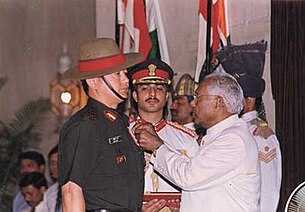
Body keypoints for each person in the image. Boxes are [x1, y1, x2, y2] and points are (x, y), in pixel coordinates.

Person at [134, 72, 261, 212]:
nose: (193, 104)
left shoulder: (233, 140)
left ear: (218, 102)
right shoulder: (219, 136)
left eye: (198, 97)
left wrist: (158, 147)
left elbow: (188, 177)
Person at [58, 37, 146, 212]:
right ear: (92, 81)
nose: (125, 80)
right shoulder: (86, 126)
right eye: (117, 74)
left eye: (125, 73)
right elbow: (71, 191)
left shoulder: (118, 122)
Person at [128, 59, 199, 211]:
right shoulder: (122, 135)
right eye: (145, 88)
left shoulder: (187, 138)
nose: (152, 93)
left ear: (167, 96)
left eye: (159, 88)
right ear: (135, 96)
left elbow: (197, 185)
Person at [235, 74, 282, 212]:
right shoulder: (235, 129)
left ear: (249, 102)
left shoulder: (261, 135)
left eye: (236, 99)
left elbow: (268, 186)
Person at [44, 145, 62, 212]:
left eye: (58, 163)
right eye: (52, 163)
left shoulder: (77, 189)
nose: (54, 167)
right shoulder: (49, 192)